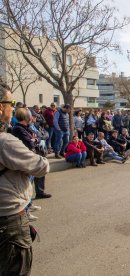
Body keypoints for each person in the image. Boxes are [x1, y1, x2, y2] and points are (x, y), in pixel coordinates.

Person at [0, 82, 49, 275]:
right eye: (10, 102)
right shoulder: (5, 142)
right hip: (8, 221)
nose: (13, 107)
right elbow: (41, 165)